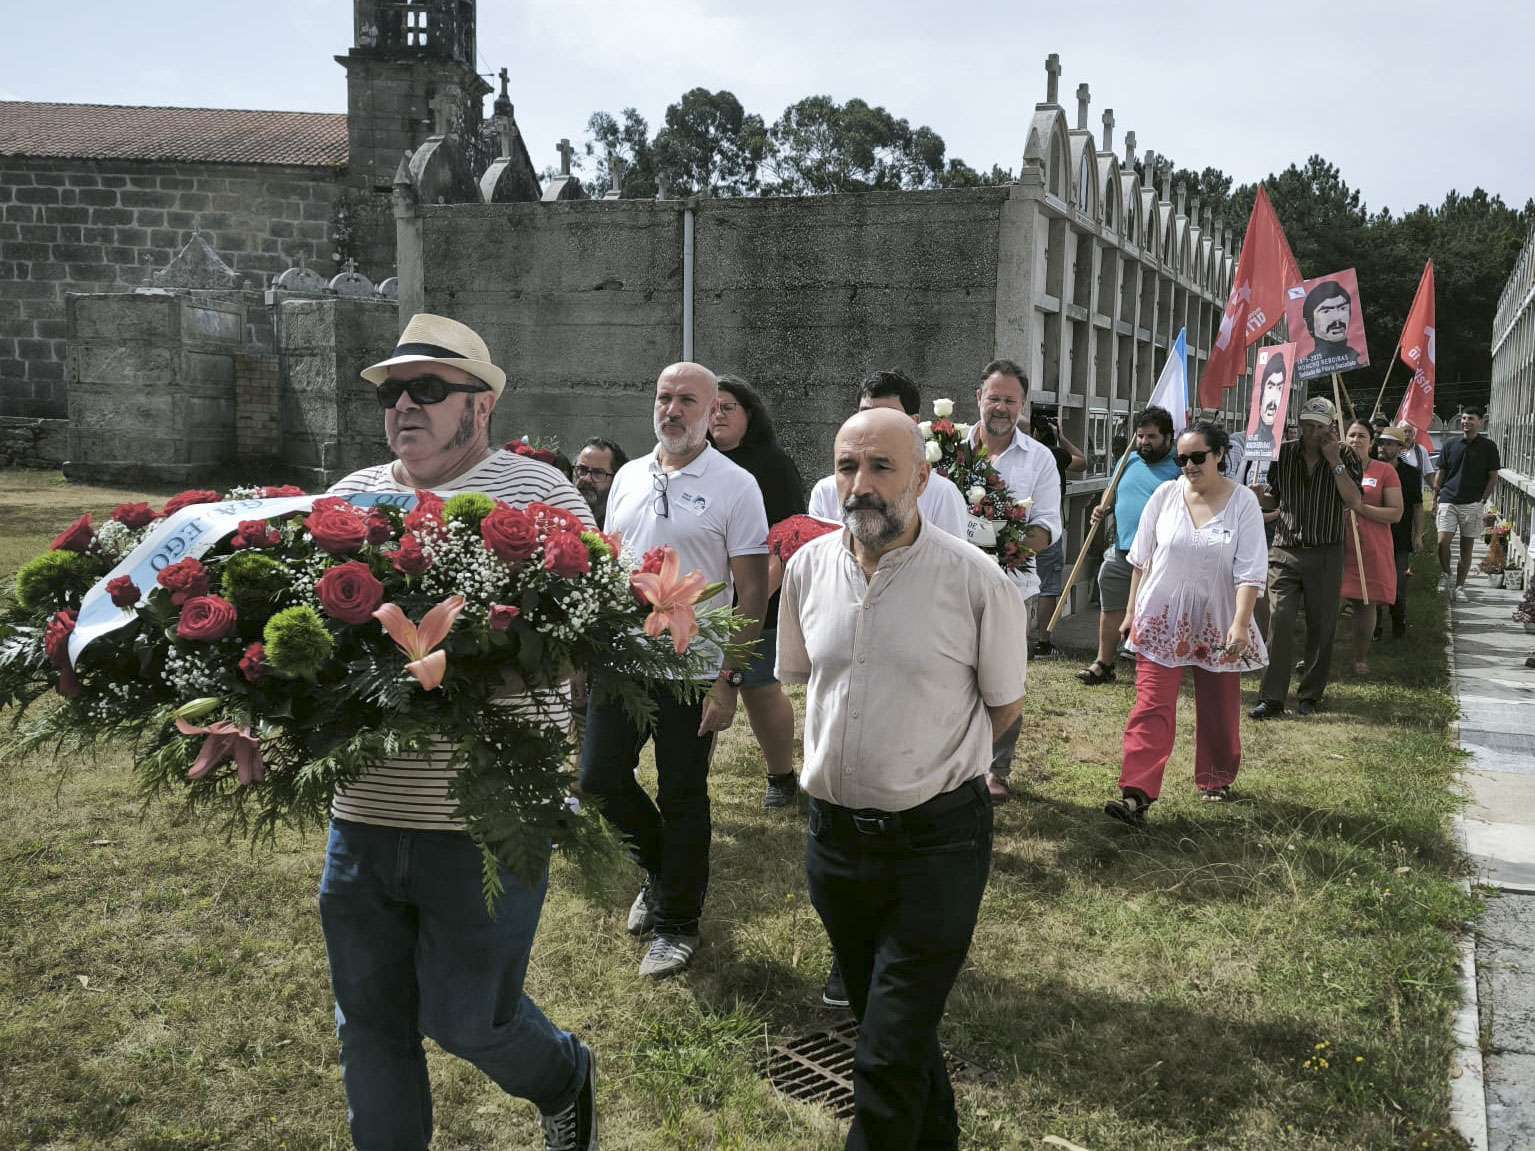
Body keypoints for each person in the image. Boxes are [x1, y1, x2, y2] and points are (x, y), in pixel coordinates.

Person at [323, 313, 598, 1151]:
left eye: (429, 389)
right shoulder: (346, 501)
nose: (404, 405)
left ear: (479, 407)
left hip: (485, 820)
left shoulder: (542, 495)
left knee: (469, 1019)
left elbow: (585, 642)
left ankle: (563, 1075)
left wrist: (468, 667)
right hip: (363, 812)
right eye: (393, 391)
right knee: (369, 1026)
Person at [777, 407, 1029, 1151]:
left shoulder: (975, 581)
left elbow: (1004, 706)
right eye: (846, 466)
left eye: (881, 467)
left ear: (922, 477)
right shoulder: (805, 569)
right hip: (833, 842)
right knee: (898, 1034)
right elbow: (803, 675)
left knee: (883, 1055)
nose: (860, 484)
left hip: (936, 845)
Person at [579, 362, 769, 979]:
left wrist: (729, 681)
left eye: (688, 400)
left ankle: (678, 921)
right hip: (624, 661)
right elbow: (609, 568)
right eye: (664, 397)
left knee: (683, 793)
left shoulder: (736, 485)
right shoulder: (630, 476)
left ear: (712, 411)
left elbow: (752, 593)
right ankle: (664, 873)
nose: (673, 410)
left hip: (694, 667)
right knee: (600, 778)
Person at [1104, 421, 1268, 824]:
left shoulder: (1243, 502)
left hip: (1218, 621)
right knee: (1150, 705)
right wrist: (1130, 613)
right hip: (1160, 619)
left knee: (1220, 707)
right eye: (1182, 459)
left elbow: (1250, 571)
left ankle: (1215, 777)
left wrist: (1241, 623)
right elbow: (1141, 561)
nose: (1189, 466)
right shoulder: (1164, 496)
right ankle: (1136, 793)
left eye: (1198, 457)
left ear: (1219, 456)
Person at [709, 374, 807, 810]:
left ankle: (781, 776)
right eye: (710, 406)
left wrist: (758, 596)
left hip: (759, 600)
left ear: (750, 413)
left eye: (727, 405)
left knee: (759, 689)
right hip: (702, 604)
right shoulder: (697, 464)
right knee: (699, 691)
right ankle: (690, 777)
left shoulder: (772, 465)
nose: (717, 414)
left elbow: (789, 540)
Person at [969, 359, 1061, 801]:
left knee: (1003, 680)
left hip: (1011, 588)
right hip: (949, 585)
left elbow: (1046, 527)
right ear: (978, 400)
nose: (1001, 407)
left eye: (1010, 400)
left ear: (1021, 406)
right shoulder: (947, 449)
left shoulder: (1039, 459)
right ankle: (953, 764)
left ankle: (996, 769)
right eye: (994, 398)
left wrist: (1003, 543)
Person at [1247, 396, 1364, 718]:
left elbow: (1354, 501)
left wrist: (1333, 460)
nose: (1310, 432)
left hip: (1326, 551)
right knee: (1280, 620)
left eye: (1317, 427)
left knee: (1321, 624)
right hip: (1286, 549)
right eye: (1305, 425)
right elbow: (1275, 499)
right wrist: (1260, 497)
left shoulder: (1346, 456)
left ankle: (1310, 694)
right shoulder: (1283, 453)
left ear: (1331, 428)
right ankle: (1271, 697)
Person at [1077, 405, 1180, 686]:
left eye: (1152, 437)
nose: (1144, 442)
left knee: (1152, 613)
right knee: (1111, 608)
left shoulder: (1180, 469)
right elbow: (1111, 497)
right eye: (1140, 436)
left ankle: (1152, 672)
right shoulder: (1128, 460)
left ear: (1169, 438)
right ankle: (1103, 663)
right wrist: (1102, 509)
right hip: (1121, 551)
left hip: (1158, 558)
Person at [807, 369, 969, 538]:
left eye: (888, 415)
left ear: (913, 422)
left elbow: (952, 560)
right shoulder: (826, 492)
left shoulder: (941, 494)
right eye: (867, 413)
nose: (874, 425)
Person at [1339, 420, 1403, 675]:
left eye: (1361, 435)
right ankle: (1318, 653)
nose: (1356, 440)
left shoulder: (1384, 471)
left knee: (1365, 603)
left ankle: (1359, 657)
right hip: (1337, 543)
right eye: (1351, 435)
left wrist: (1361, 508)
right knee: (1327, 602)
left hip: (1370, 544)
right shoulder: (1334, 469)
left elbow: (1396, 513)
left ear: (1371, 441)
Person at [1027, 406, 1086, 657]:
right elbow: (1082, 462)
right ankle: (1043, 641)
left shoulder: (1027, 455)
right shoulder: (1056, 455)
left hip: (1018, 526)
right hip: (1048, 529)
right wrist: (1060, 435)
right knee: (1048, 586)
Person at [1435, 406, 1501, 602]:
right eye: (1464, 418)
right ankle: (1446, 575)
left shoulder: (1489, 447)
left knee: (1466, 548)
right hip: (1448, 499)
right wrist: (1437, 494)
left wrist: (1482, 500)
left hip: (1472, 502)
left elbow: (1493, 476)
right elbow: (1442, 471)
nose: (1466, 422)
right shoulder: (1450, 444)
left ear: (1480, 422)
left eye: (1471, 419)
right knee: (1442, 542)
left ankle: (1460, 587)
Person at [1376, 425, 1424, 639]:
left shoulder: (1410, 473)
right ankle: (1374, 628)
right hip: (1375, 535)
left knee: (1398, 584)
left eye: (1388, 444)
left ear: (1399, 447)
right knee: (1374, 582)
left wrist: (1418, 534)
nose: (1383, 448)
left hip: (1400, 536)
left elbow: (1417, 506)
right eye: (1381, 443)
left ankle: (1398, 625)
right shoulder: (1370, 470)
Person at [1295, 280, 1362, 378]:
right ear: (1309, 322)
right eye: (1326, 311)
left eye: (1342, 308)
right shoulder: (1304, 368)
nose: (1337, 318)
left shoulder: (1359, 359)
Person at [574, 437, 628, 525]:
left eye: (597, 473)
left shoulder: (620, 523)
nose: (586, 478)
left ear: (615, 479)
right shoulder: (555, 516)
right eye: (582, 470)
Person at [1246, 353, 1289, 461]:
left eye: (1279, 388)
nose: (1273, 399)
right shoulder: (1239, 442)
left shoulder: (1284, 449)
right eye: (1270, 387)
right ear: (1261, 392)